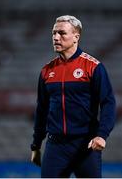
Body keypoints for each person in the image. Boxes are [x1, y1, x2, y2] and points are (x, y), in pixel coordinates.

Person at [31, 15, 116, 178]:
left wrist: (102, 134)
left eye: (62, 33)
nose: (56, 37)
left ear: (76, 37)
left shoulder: (93, 67)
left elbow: (108, 103)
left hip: (85, 145)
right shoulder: (46, 71)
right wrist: (36, 144)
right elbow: (41, 109)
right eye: (54, 33)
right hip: (55, 146)